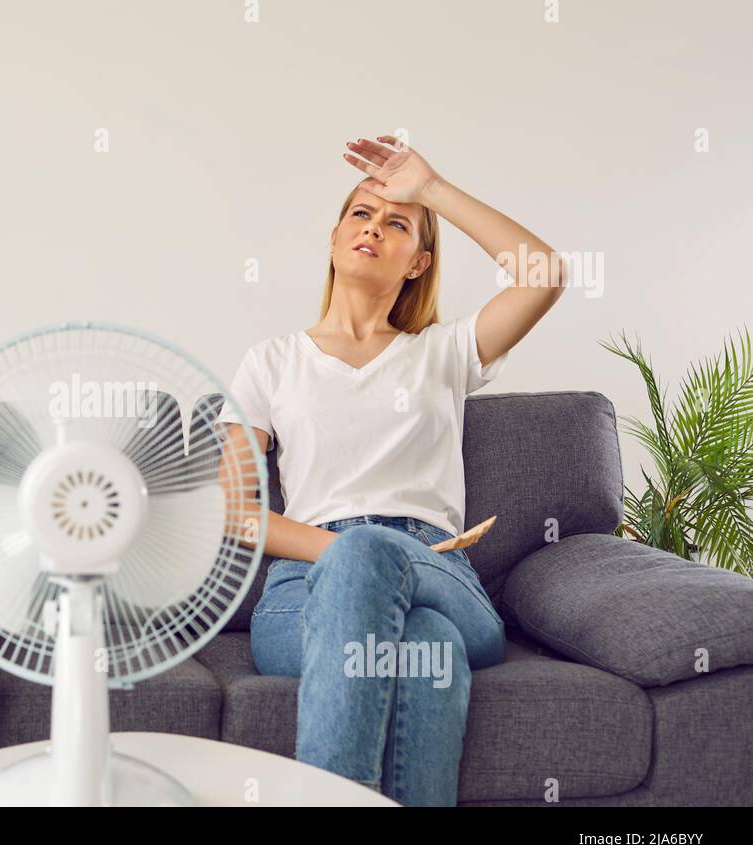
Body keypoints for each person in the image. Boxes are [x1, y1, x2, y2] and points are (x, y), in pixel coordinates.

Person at [217, 134, 566, 806]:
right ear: (333, 239)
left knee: (395, 580)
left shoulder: (444, 352)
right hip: (305, 584)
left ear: (419, 262)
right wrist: (355, 554)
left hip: (435, 568)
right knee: (428, 644)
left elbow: (544, 273)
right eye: (361, 214)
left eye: (397, 223)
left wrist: (430, 190)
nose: (374, 227)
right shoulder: (270, 362)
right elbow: (235, 514)